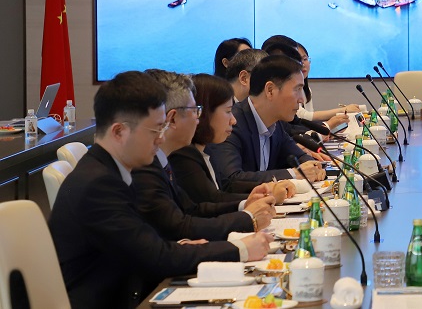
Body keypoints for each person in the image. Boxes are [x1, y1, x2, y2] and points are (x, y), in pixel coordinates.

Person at [48, 71, 271, 309]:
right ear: (119, 132)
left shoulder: (110, 170)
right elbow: (156, 257)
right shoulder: (99, 185)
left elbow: (150, 242)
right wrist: (240, 249)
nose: (161, 138)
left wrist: (179, 246)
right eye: (155, 130)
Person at [134, 70, 276, 241]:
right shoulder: (146, 167)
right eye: (196, 111)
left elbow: (192, 210)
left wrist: (245, 205)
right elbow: (179, 228)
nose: (198, 119)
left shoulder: (163, 159)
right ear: (172, 119)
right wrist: (247, 221)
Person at [171, 73, 297, 203]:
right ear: (205, 114)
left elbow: (225, 187)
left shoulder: (206, 149)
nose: (233, 120)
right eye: (228, 111)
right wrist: (264, 197)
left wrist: (267, 188)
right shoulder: (184, 156)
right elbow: (210, 203)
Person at [208, 54, 326, 189]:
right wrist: (294, 173)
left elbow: (300, 157)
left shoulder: (276, 124)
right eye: (297, 89)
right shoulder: (232, 124)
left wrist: (313, 167)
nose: (301, 99)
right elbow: (231, 179)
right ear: (270, 90)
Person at [261, 35, 359, 129]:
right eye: (296, 60)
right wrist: (328, 125)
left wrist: (326, 128)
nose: (302, 64)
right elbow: (301, 120)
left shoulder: (304, 90)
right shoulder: (266, 115)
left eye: (304, 59)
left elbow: (298, 125)